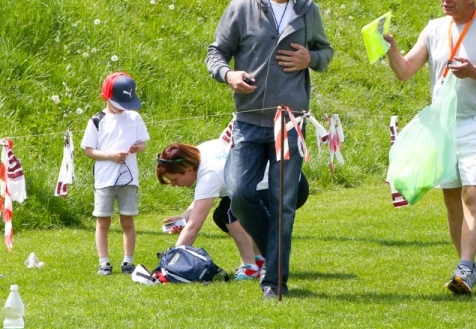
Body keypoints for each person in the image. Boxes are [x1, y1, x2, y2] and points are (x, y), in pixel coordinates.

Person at [206, 0, 333, 300]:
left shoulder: (308, 10)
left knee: (282, 203)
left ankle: (274, 283)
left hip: (289, 124)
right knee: (240, 195)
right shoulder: (240, 8)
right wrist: (229, 75)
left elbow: (326, 53)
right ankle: (273, 251)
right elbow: (215, 53)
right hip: (248, 122)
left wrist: (310, 58)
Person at [384, 0, 476, 296]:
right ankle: (467, 267)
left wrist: (474, 72)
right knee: (452, 200)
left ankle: (465, 267)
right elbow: (405, 71)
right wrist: (391, 51)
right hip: (444, 127)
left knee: (472, 194)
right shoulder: (434, 28)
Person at [156, 138, 310, 280]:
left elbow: (193, 227)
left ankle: (250, 267)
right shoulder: (200, 153)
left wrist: (170, 263)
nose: (174, 185)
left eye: (174, 179)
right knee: (221, 216)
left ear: (188, 169)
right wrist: (184, 217)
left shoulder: (209, 173)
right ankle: (260, 259)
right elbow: (202, 199)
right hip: (289, 180)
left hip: (289, 188)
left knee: (229, 210)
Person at [81, 72, 149, 276]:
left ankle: (128, 261)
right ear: (107, 97)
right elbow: (89, 151)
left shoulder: (134, 117)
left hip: (129, 179)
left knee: (127, 220)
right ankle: (104, 262)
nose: (123, 108)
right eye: (120, 103)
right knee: (103, 221)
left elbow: (143, 144)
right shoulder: (97, 120)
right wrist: (110, 156)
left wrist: (138, 147)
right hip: (105, 180)